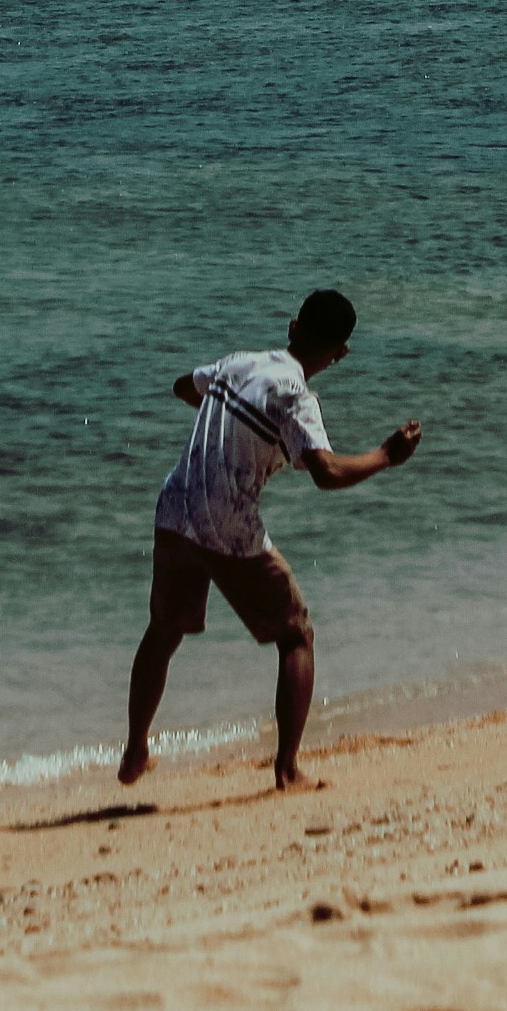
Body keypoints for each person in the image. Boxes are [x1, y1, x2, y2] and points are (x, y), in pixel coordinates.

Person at [120, 288, 422, 793]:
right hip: (229, 525)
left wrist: (224, 410)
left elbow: (183, 387)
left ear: (291, 325)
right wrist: (386, 455)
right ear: (340, 353)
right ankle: (287, 770)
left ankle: (135, 749)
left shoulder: (240, 363)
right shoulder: (296, 396)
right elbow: (325, 472)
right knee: (295, 634)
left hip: (175, 507)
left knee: (163, 630)